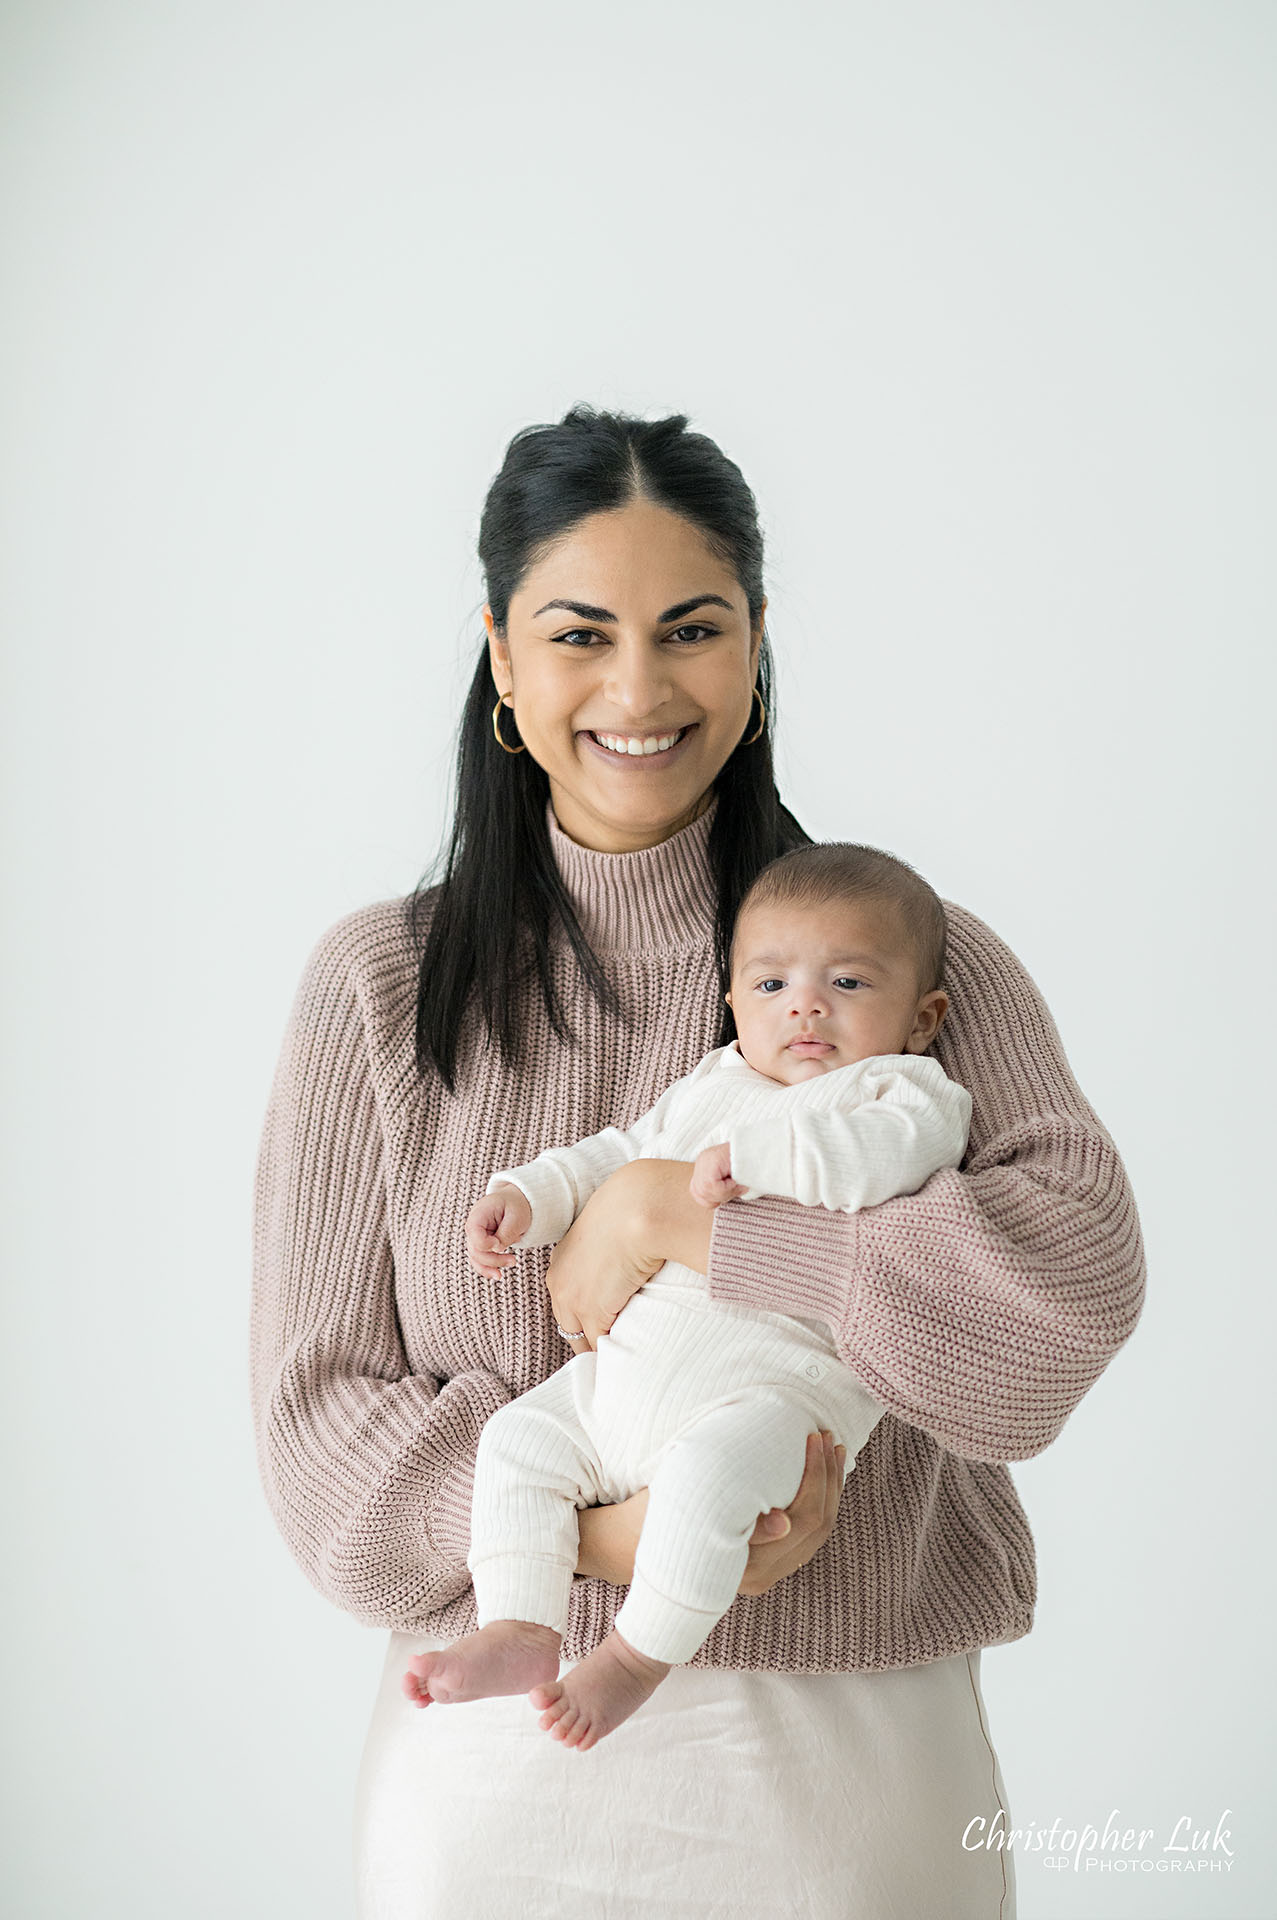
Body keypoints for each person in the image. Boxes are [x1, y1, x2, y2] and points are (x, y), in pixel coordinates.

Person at [249, 404, 1146, 1920]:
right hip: (493, 1789)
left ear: (756, 644)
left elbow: (1055, 1312)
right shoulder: (379, 988)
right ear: (501, 661)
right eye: (579, 634)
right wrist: (634, 1538)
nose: (638, 688)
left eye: (691, 629)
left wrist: (692, 1224)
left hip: (850, 1776)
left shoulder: (897, 964)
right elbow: (318, 1434)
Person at [402, 842, 975, 1753]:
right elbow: (617, 1155)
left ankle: (634, 1657)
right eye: (772, 984)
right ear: (733, 1005)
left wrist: (759, 1160)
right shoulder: (715, 1085)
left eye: (850, 984)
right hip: (621, 1388)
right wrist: (532, 1198)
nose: (807, 1006)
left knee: (705, 1481)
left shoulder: (902, 1092)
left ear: (922, 1016)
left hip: (777, 1401)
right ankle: (520, 1623)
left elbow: (878, 1164)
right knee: (516, 1440)